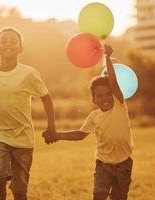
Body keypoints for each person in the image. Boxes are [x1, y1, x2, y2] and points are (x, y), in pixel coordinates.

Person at [0, 27, 57, 200]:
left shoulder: (29, 74)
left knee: (19, 191)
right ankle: (4, 172)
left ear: (21, 48)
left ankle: (11, 176)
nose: (8, 44)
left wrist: (51, 128)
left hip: (23, 137)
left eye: (13, 41)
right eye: (3, 41)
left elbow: (46, 98)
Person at [44, 44, 134, 200]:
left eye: (108, 95)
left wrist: (107, 58)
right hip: (103, 164)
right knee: (98, 196)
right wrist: (56, 135)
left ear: (113, 94)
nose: (104, 98)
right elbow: (80, 134)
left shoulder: (119, 105)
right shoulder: (94, 116)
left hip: (123, 164)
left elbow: (113, 83)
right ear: (93, 100)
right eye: (99, 96)